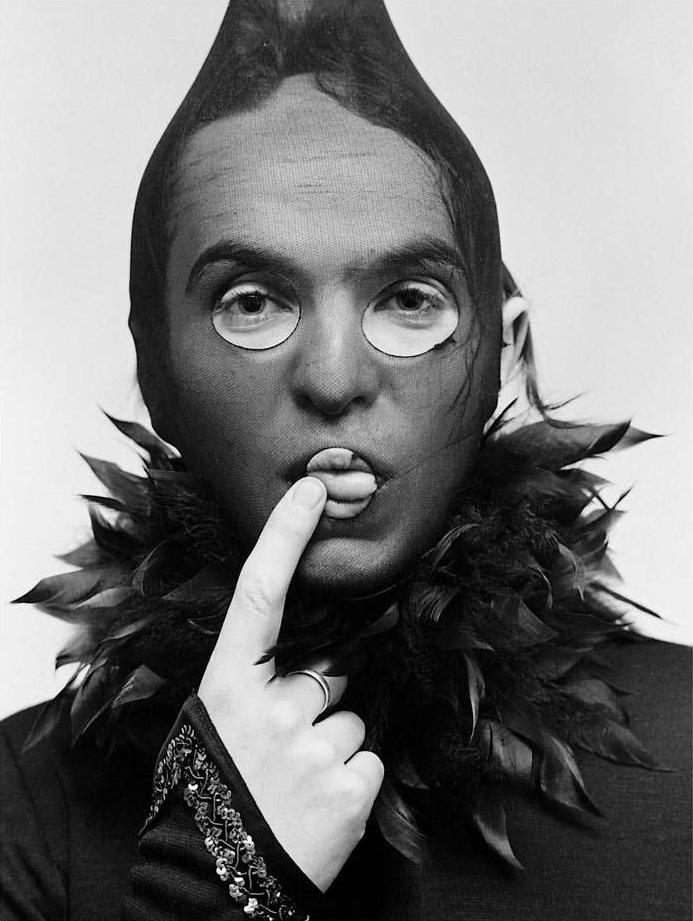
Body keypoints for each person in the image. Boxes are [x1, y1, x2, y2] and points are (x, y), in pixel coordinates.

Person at [1, 2, 690, 920]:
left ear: (502, 353)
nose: (333, 378)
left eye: (410, 298)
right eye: (251, 302)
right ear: (153, 369)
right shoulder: (28, 806)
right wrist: (210, 882)